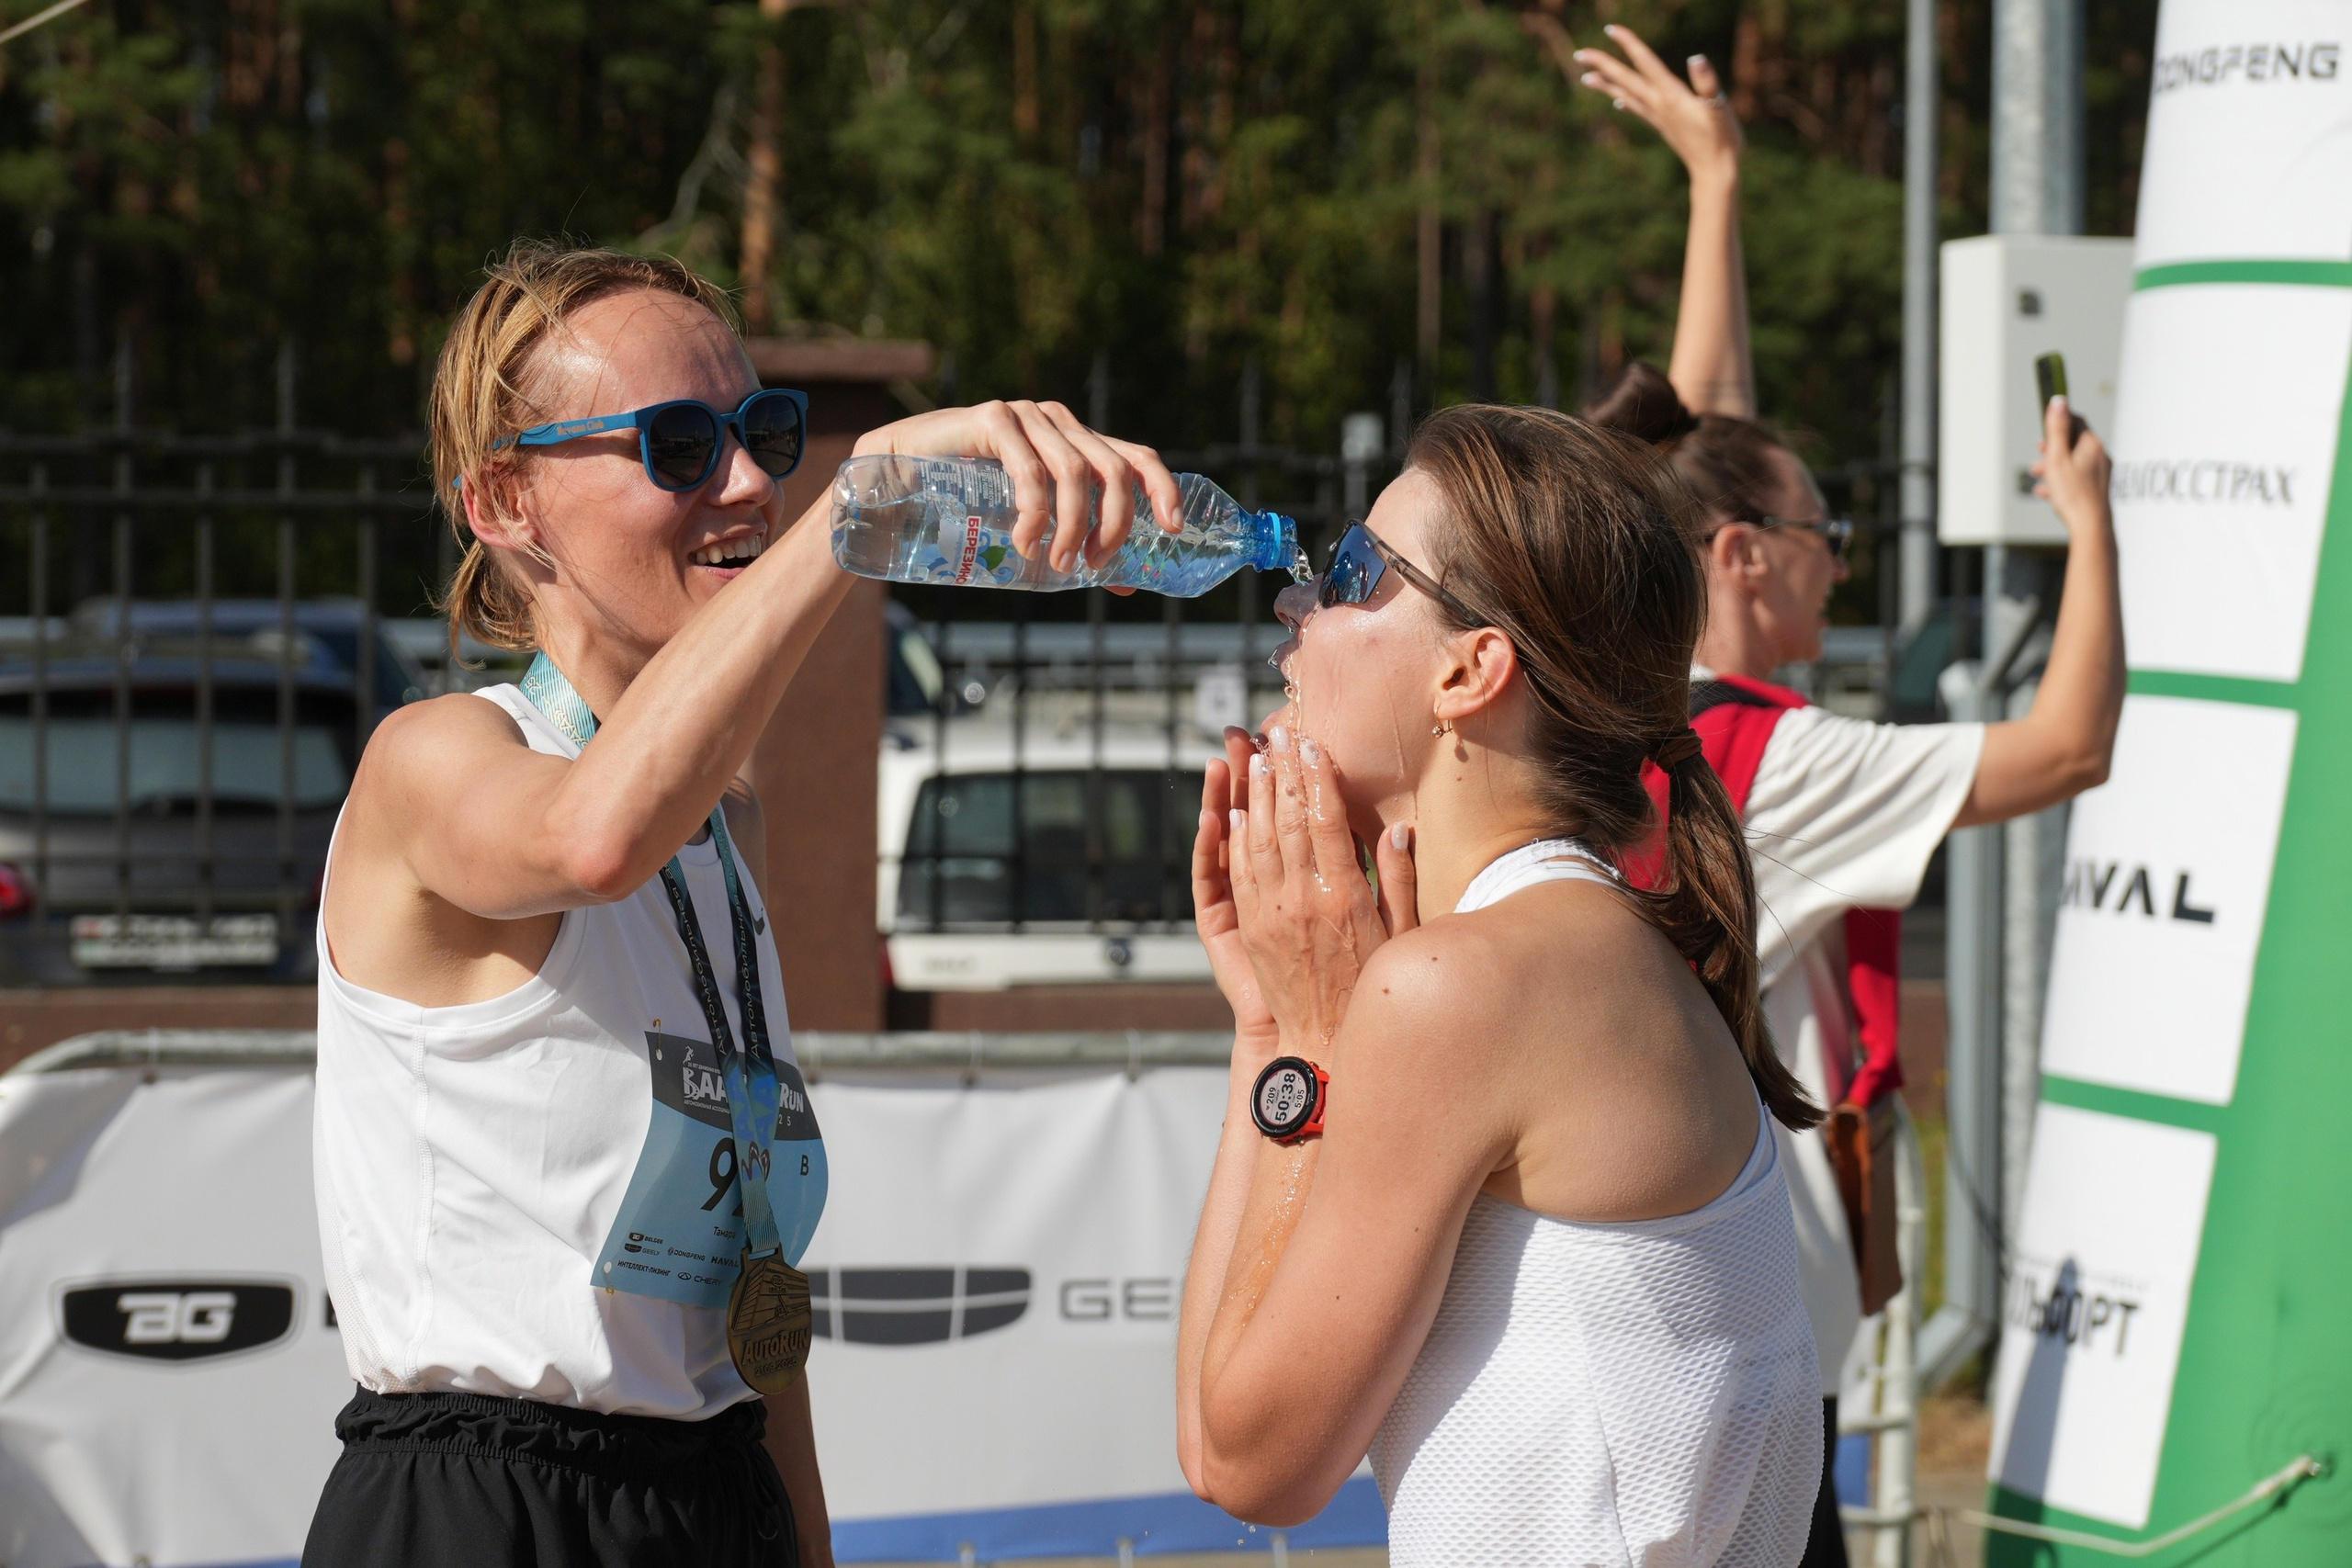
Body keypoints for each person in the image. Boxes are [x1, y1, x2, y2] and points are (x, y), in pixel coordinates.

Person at [304, 241, 1180, 1567]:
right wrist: (854, 509)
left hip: (708, 1490)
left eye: (762, 431)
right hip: (485, 1504)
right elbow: (592, 834)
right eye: (674, 443)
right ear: (503, 499)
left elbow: (743, 1279)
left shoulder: (724, 820)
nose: (754, 480)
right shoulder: (436, 759)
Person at [1574, 28, 2126, 1568]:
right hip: (1750, 1334)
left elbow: (1707, 452)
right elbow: (2072, 743)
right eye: (1819, 529)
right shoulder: (1778, 760)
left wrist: (1718, 186)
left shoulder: (1623, 723)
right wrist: (2095, 522)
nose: (1838, 554)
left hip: (1664, 1313)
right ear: (1743, 556)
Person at [1176, 404, 1823, 1566]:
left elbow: (1247, 1464)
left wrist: (1308, 1048)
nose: (1296, 603)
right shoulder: (1577, 947)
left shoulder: (1460, 987)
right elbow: (1210, 1435)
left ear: (1472, 671)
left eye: (1355, 571)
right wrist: (1271, 1023)